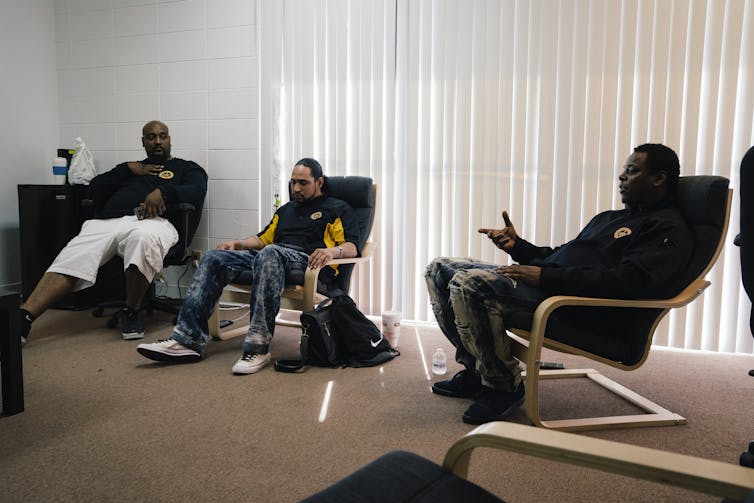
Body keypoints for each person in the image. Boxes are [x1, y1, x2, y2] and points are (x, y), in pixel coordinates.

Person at [425, 143, 694, 424]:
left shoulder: (667, 229)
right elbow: (558, 256)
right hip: (551, 286)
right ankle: (477, 371)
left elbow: (627, 282)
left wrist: (544, 277)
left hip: (578, 307)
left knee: (471, 285)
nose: (621, 177)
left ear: (659, 178)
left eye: (631, 171)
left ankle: (502, 386)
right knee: (440, 269)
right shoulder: (609, 219)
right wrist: (518, 246)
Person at [136, 158, 362, 375]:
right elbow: (264, 239)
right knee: (213, 257)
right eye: (293, 182)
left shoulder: (337, 208)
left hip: (306, 262)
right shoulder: (286, 210)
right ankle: (187, 339)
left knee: (270, 253)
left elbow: (353, 246)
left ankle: (257, 348)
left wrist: (332, 251)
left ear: (319, 182)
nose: (296, 188)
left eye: (303, 183)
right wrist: (237, 244)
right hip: (270, 256)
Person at [20, 120, 208, 343]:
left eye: (162, 136)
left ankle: (132, 312)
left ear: (169, 139)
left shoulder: (185, 168)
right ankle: (24, 317)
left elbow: (197, 189)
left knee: (142, 238)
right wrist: (127, 169)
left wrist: (163, 191)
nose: (158, 141)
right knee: (73, 255)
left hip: (152, 221)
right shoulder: (130, 169)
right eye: (151, 137)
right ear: (143, 142)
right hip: (107, 221)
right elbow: (94, 188)